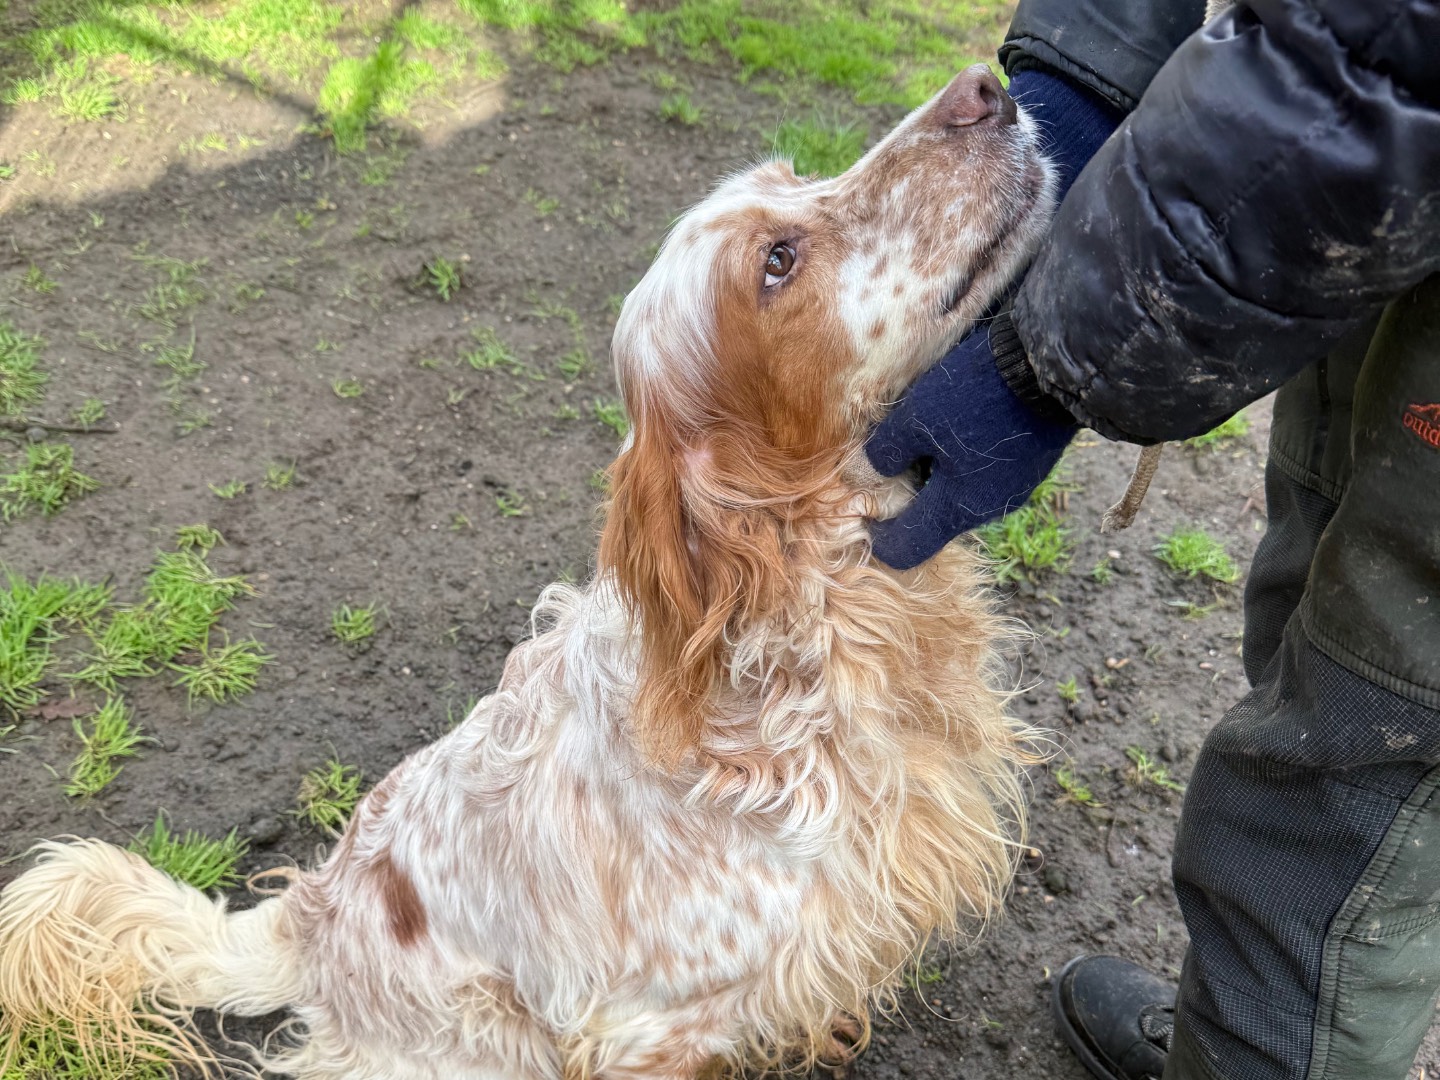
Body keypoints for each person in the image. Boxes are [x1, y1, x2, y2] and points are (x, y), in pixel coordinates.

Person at [864, 1, 1440, 1078]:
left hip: (1381, 91)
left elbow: (1388, 44)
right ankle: (1255, 1031)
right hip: (1383, 163)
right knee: (1318, 549)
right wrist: (1074, 101)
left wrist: (1048, 366)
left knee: (1373, 747)